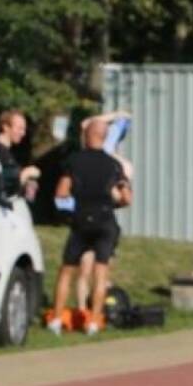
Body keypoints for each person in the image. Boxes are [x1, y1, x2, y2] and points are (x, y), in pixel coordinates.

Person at [45, 118, 131, 335]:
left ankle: (56, 318)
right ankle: (94, 321)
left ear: (87, 136)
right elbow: (126, 198)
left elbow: (61, 192)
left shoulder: (74, 161)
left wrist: (72, 205)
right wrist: (112, 203)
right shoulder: (113, 165)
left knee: (67, 270)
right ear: (104, 137)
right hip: (105, 220)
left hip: (82, 219)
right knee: (101, 272)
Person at [0, 109, 40, 202]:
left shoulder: (8, 154)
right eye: (19, 128)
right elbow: (2, 188)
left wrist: (28, 185)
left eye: (24, 129)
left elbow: (28, 196)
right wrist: (25, 174)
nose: (23, 133)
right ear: (6, 127)